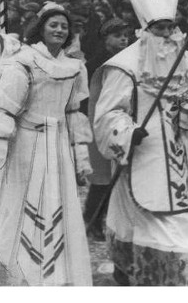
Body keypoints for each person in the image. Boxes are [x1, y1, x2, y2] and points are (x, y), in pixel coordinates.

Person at [91, 0, 188, 286]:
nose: (168, 34)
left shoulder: (184, 60)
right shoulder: (125, 65)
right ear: (144, 29)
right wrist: (126, 133)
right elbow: (107, 115)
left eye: (171, 27)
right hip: (140, 158)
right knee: (141, 226)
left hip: (179, 158)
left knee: (182, 227)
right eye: (160, 29)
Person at [0, 2, 93, 286]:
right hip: (25, 144)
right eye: (53, 24)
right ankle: (17, 269)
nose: (59, 30)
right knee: (20, 202)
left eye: (64, 26)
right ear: (41, 28)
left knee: (54, 200)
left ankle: (50, 269)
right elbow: (2, 107)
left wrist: (81, 154)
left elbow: (73, 112)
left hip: (56, 145)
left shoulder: (74, 68)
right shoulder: (23, 62)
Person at [82, 17, 131, 240]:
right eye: (117, 35)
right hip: (98, 123)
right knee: (101, 178)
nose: (123, 39)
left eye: (125, 35)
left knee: (112, 177)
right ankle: (92, 219)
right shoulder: (97, 63)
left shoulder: (125, 60)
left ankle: (101, 218)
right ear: (105, 38)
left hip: (118, 123)